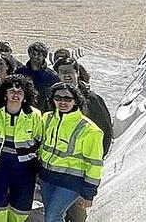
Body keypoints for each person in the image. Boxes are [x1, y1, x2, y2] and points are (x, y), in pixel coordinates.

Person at [53, 53, 113, 222]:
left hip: (80, 171)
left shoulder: (92, 100)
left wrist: (94, 161)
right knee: (56, 213)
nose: (66, 75)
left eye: (70, 71)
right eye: (62, 71)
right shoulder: (54, 99)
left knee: (77, 214)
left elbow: (106, 134)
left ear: (77, 73)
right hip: (57, 170)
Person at [39, 83, 104, 222]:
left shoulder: (89, 130)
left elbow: (94, 164)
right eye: (58, 98)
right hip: (47, 178)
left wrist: (89, 194)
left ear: (76, 100)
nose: (62, 102)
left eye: (67, 99)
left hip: (71, 183)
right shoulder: (47, 118)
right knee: (50, 215)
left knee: (53, 217)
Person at [0, 75, 43, 222]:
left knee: (21, 203)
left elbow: (39, 139)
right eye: (12, 91)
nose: (16, 95)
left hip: (24, 167)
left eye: (20, 92)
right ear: (5, 93)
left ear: (26, 95)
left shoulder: (34, 114)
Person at [17, 42, 60, 111]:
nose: (35, 57)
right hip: (22, 110)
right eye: (33, 54)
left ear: (44, 56)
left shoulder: (52, 77)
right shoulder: (20, 72)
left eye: (39, 54)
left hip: (43, 113)